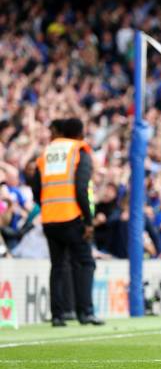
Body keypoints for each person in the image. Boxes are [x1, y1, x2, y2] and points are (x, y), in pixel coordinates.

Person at [32, 118, 104, 327]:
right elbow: (81, 187)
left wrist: (48, 205)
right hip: (72, 217)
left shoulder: (45, 153)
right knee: (85, 263)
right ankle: (86, 312)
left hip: (49, 217)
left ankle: (58, 315)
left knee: (58, 266)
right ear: (80, 133)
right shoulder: (79, 150)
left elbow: (36, 190)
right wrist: (88, 221)